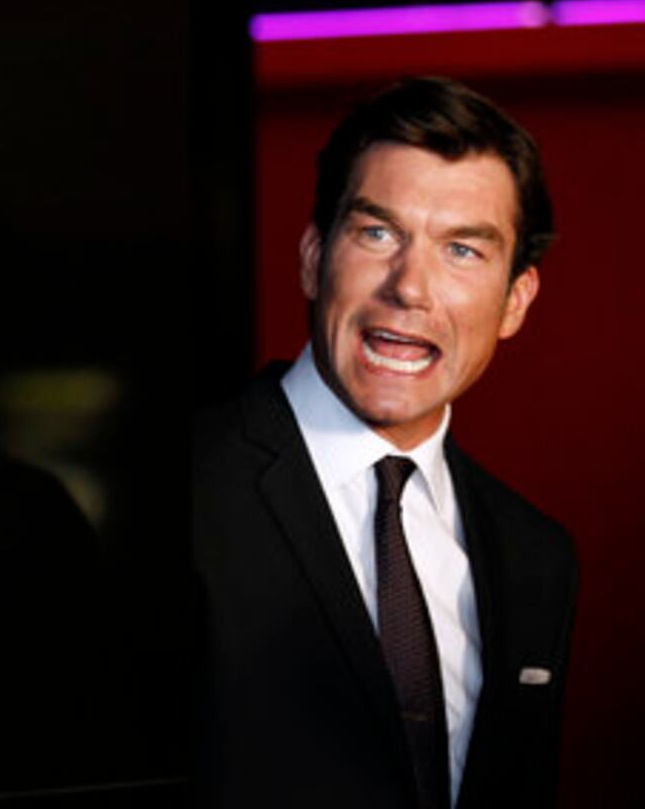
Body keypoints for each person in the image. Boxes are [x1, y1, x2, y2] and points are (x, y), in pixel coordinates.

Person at [193, 77, 576, 808]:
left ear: (514, 301)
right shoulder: (189, 490)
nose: (410, 287)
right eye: (378, 234)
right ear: (313, 257)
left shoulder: (537, 558)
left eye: (462, 250)